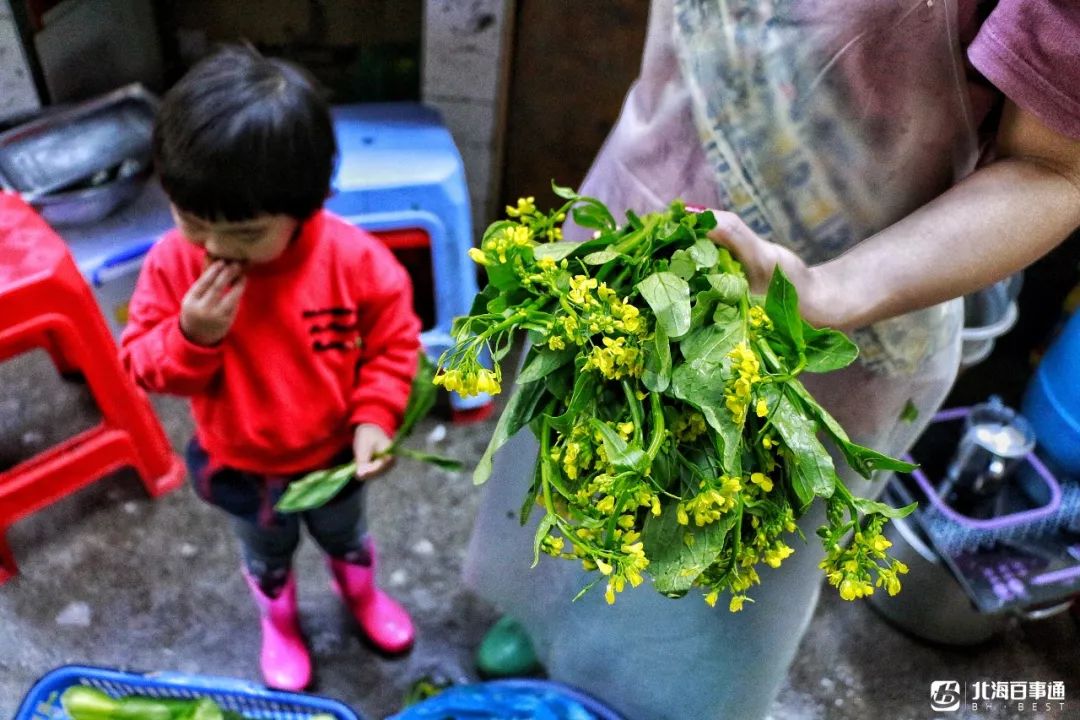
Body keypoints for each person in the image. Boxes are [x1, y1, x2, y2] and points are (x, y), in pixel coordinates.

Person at [465, 1, 1080, 718]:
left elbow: (1053, 168)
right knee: (572, 466)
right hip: (648, 186)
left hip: (816, 315)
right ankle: (548, 628)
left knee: (700, 579)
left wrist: (823, 291)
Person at [120, 46, 422, 691]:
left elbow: (395, 345)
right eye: (193, 222)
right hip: (242, 464)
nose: (217, 249)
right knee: (266, 554)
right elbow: (140, 365)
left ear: (309, 203)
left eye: (249, 233)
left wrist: (375, 415)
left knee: (347, 536)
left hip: (336, 456)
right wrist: (191, 337)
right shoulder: (175, 267)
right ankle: (279, 623)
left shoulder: (355, 263)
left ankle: (362, 596)